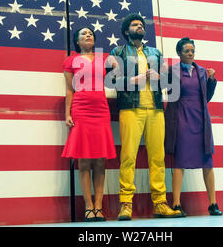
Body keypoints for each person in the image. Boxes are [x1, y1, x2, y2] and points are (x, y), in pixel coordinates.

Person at [109, 13, 182, 220]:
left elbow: (170, 83)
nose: (139, 26)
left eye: (141, 24)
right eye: (134, 24)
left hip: (156, 110)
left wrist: (161, 77)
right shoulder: (117, 52)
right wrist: (135, 79)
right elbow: (111, 82)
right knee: (128, 157)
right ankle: (126, 205)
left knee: (158, 158)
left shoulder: (156, 53)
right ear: (126, 31)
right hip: (131, 110)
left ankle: (160, 204)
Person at [61, 27, 116, 222]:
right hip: (81, 110)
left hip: (101, 110)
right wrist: (67, 113)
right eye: (83, 33)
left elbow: (118, 79)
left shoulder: (105, 58)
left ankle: (99, 207)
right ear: (77, 41)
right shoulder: (70, 61)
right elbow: (69, 90)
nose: (88, 35)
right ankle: (88, 206)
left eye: (91, 33)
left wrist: (116, 67)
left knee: (101, 160)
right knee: (83, 159)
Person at [164, 37, 222, 216]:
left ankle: (213, 204)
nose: (190, 53)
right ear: (179, 53)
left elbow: (207, 97)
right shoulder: (172, 71)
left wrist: (212, 80)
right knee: (180, 162)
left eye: (192, 51)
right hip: (181, 118)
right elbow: (168, 91)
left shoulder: (203, 72)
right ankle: (176, 204)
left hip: (201, 119)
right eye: (186, 51)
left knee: (208, 162)